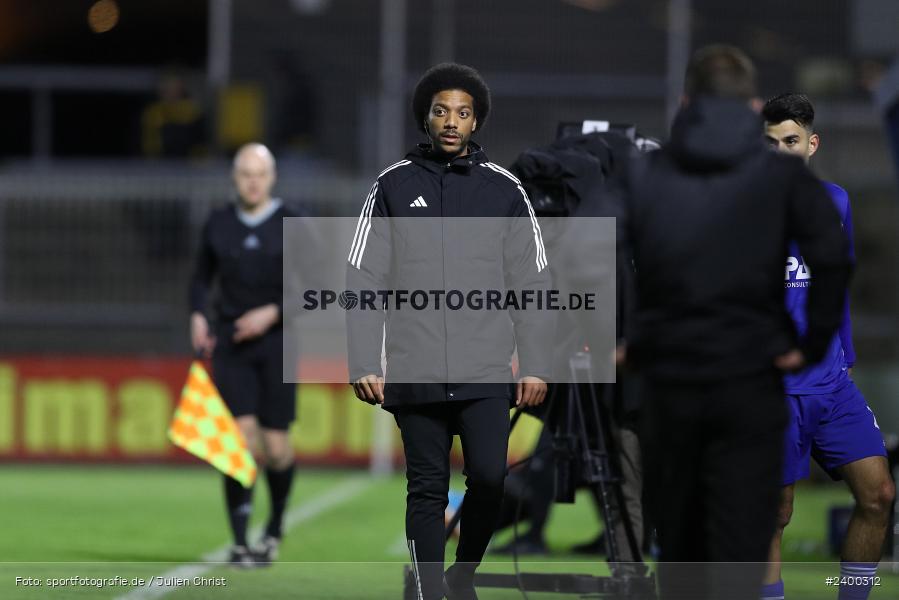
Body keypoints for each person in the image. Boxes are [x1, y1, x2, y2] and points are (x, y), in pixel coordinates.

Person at [617, 46, 853, 599]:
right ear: (751, 108)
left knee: (680, 538)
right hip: (751, 381)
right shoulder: (781, 178)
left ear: (685, 102)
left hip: (671, 384)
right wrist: (810, 342)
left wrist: (630, 337)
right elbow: (833, 259)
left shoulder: (646, 171)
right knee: (744, 535)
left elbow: (588, 250)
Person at [347, 63, 553, 600]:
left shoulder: (504, 190)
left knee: (490, 478)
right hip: (415, 367)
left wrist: (536, 364)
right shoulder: (391, 186)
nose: (451, 121)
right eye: (441, 111)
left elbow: (533, 282)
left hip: (485, 369)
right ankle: (430, 590)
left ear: (476, 121)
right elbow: (362, 278)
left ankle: (463, 575)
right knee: (426, 490)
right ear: (426, 118)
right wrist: (363, 360)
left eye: (463, 113)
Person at [761, 93, 894, 600]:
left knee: (879, 495)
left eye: (791, 141)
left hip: (833, 384)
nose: (781, 152)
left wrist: (849, 357)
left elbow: (837, 286)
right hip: (772, 391)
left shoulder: (836, 202)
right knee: (775, 513)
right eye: (770, 143)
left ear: (811, 144)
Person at [189, 143, 300, 567]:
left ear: (272, 177)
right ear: (234, 178)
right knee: (239, 442)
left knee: (276, 446)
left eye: (260, 174)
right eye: (245, 174)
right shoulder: (218, 222)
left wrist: (273, 313)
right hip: (232, 342)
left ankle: (274, 527)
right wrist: (198, 314)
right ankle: (238, 541)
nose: (253, 182)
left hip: (279, 344)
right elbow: (201, 279)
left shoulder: (293, 220)